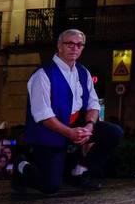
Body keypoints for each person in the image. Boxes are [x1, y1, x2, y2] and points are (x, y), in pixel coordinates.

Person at [14, 29, 122, 194]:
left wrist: (89, 127)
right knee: (50, 186)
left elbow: (93, 104)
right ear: (59, 46)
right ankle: (22, 167)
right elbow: (42, 115)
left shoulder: (83, 72)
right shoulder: (43, 74)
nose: (75, 48)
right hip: (50, 131)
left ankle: (80, 171)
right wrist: (69, 133)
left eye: (79, 44)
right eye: (69, 44)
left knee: (113, 132)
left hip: (76, 127)